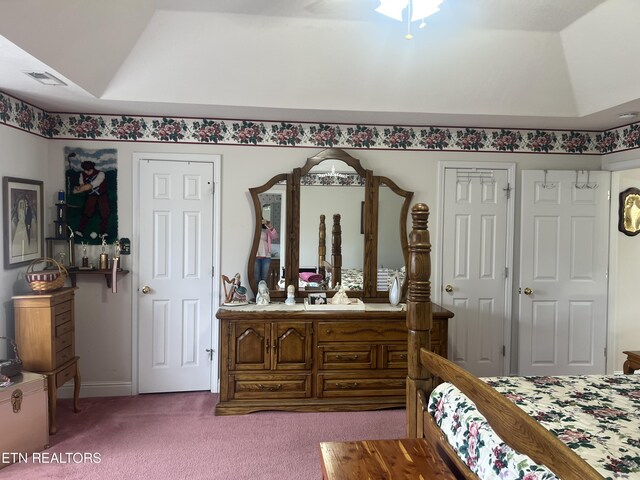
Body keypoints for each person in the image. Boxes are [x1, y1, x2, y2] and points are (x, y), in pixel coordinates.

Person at [73, 160, 110, 237]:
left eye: (89, 170)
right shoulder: (82, 175)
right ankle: (80, 231)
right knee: (86, 212)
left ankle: (103, 233)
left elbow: (90, 185)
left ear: (92, 168)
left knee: (104, 213)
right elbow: (81, 185)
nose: (87, 172)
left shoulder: (101, 174)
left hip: (102, 196)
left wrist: (79, 189)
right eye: (85, 170)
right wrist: (79, 188)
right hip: (91, 196)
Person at [254, 218, 278, 284]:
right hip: (255, 256)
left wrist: (270, 226)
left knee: (265, 278)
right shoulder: (252, 229)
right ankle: (257, 293)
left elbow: (275, 236)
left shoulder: (266, 230)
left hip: (266, 256)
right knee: (256, 277)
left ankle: (265, 293)